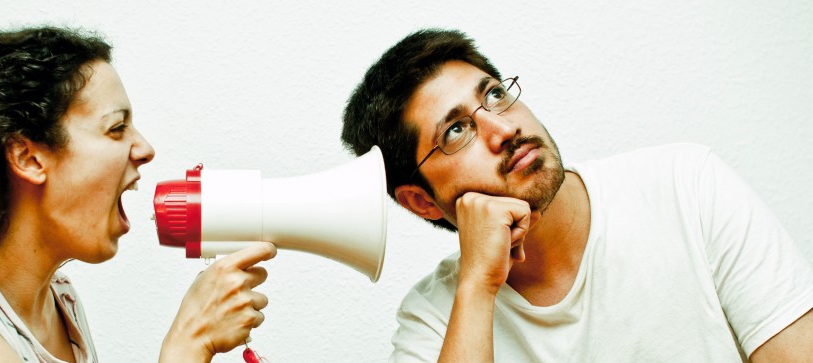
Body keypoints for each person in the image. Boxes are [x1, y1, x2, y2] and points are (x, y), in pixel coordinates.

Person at [341, 28, 813, 362]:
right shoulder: (434, 317)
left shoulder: (687, 185)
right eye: (459, 129)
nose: (504, 128)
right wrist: (478, 287)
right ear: (421, 201)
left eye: (496, 95)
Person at [0, 26, 276, 363]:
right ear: (28, 157)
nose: (144, 148)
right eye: (116, 128)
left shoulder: (57, 299)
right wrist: (189, 340)